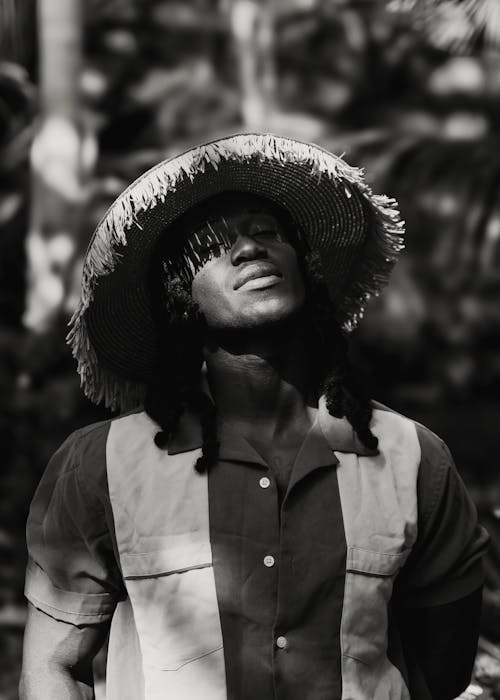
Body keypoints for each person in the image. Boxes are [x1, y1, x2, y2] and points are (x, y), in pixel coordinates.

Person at [20, 133, 488, 700]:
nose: (249, 250)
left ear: (305, 266)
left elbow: (440, 671)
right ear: (179, 298)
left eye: (267, 232)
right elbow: (53, 671)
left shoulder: (414, 460)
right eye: (214, 246)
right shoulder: (102, 466)